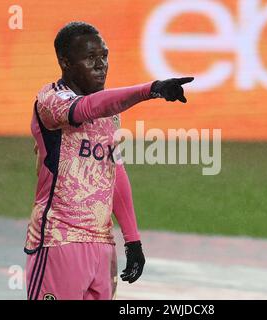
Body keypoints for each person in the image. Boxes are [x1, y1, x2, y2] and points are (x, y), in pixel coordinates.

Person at [24, 21, 194, 300]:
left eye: (104, 56)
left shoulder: (111, 114)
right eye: (90, 58)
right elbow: (88, 107)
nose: (101, 65)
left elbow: (114, 172)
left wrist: (132, 240)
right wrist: (150, 89)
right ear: (65, 62)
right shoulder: (51, 101)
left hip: (102, 245)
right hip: (59, 240)